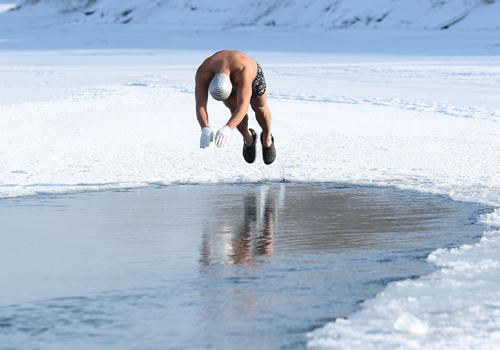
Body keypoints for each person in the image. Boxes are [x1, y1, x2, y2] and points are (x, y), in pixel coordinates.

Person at [195, 50, 276, 165]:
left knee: (259, 107)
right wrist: (205, 127)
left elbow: (243, 106)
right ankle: (248, 139)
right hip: (228, 78)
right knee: (234, 109)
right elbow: (200, 105)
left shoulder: (243, 71)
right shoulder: (203, 72)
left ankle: (267, 138)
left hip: (250, 75)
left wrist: (228, 128)